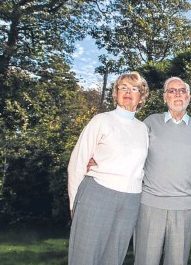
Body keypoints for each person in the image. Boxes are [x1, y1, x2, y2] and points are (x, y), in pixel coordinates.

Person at [67, 72, 149, 265]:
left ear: (141, 96)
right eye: (123, 88)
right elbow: (77, 163)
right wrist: (74, 204)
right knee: (84, 257)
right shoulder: (101, 120)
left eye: (134, 89)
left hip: (130, 201)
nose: (128, 92)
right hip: (97, 194)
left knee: (114, 258)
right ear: (116, 93)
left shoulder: (143, 129)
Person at [134, 77, 191, 265]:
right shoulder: (150, 123)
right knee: (145, 260)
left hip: (185, 207)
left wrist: (185, 183)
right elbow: (133, 156)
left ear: (189, 96)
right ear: (164, 97)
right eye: (172, 90)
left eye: (182, 90)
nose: (177, 94)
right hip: (150, 205)